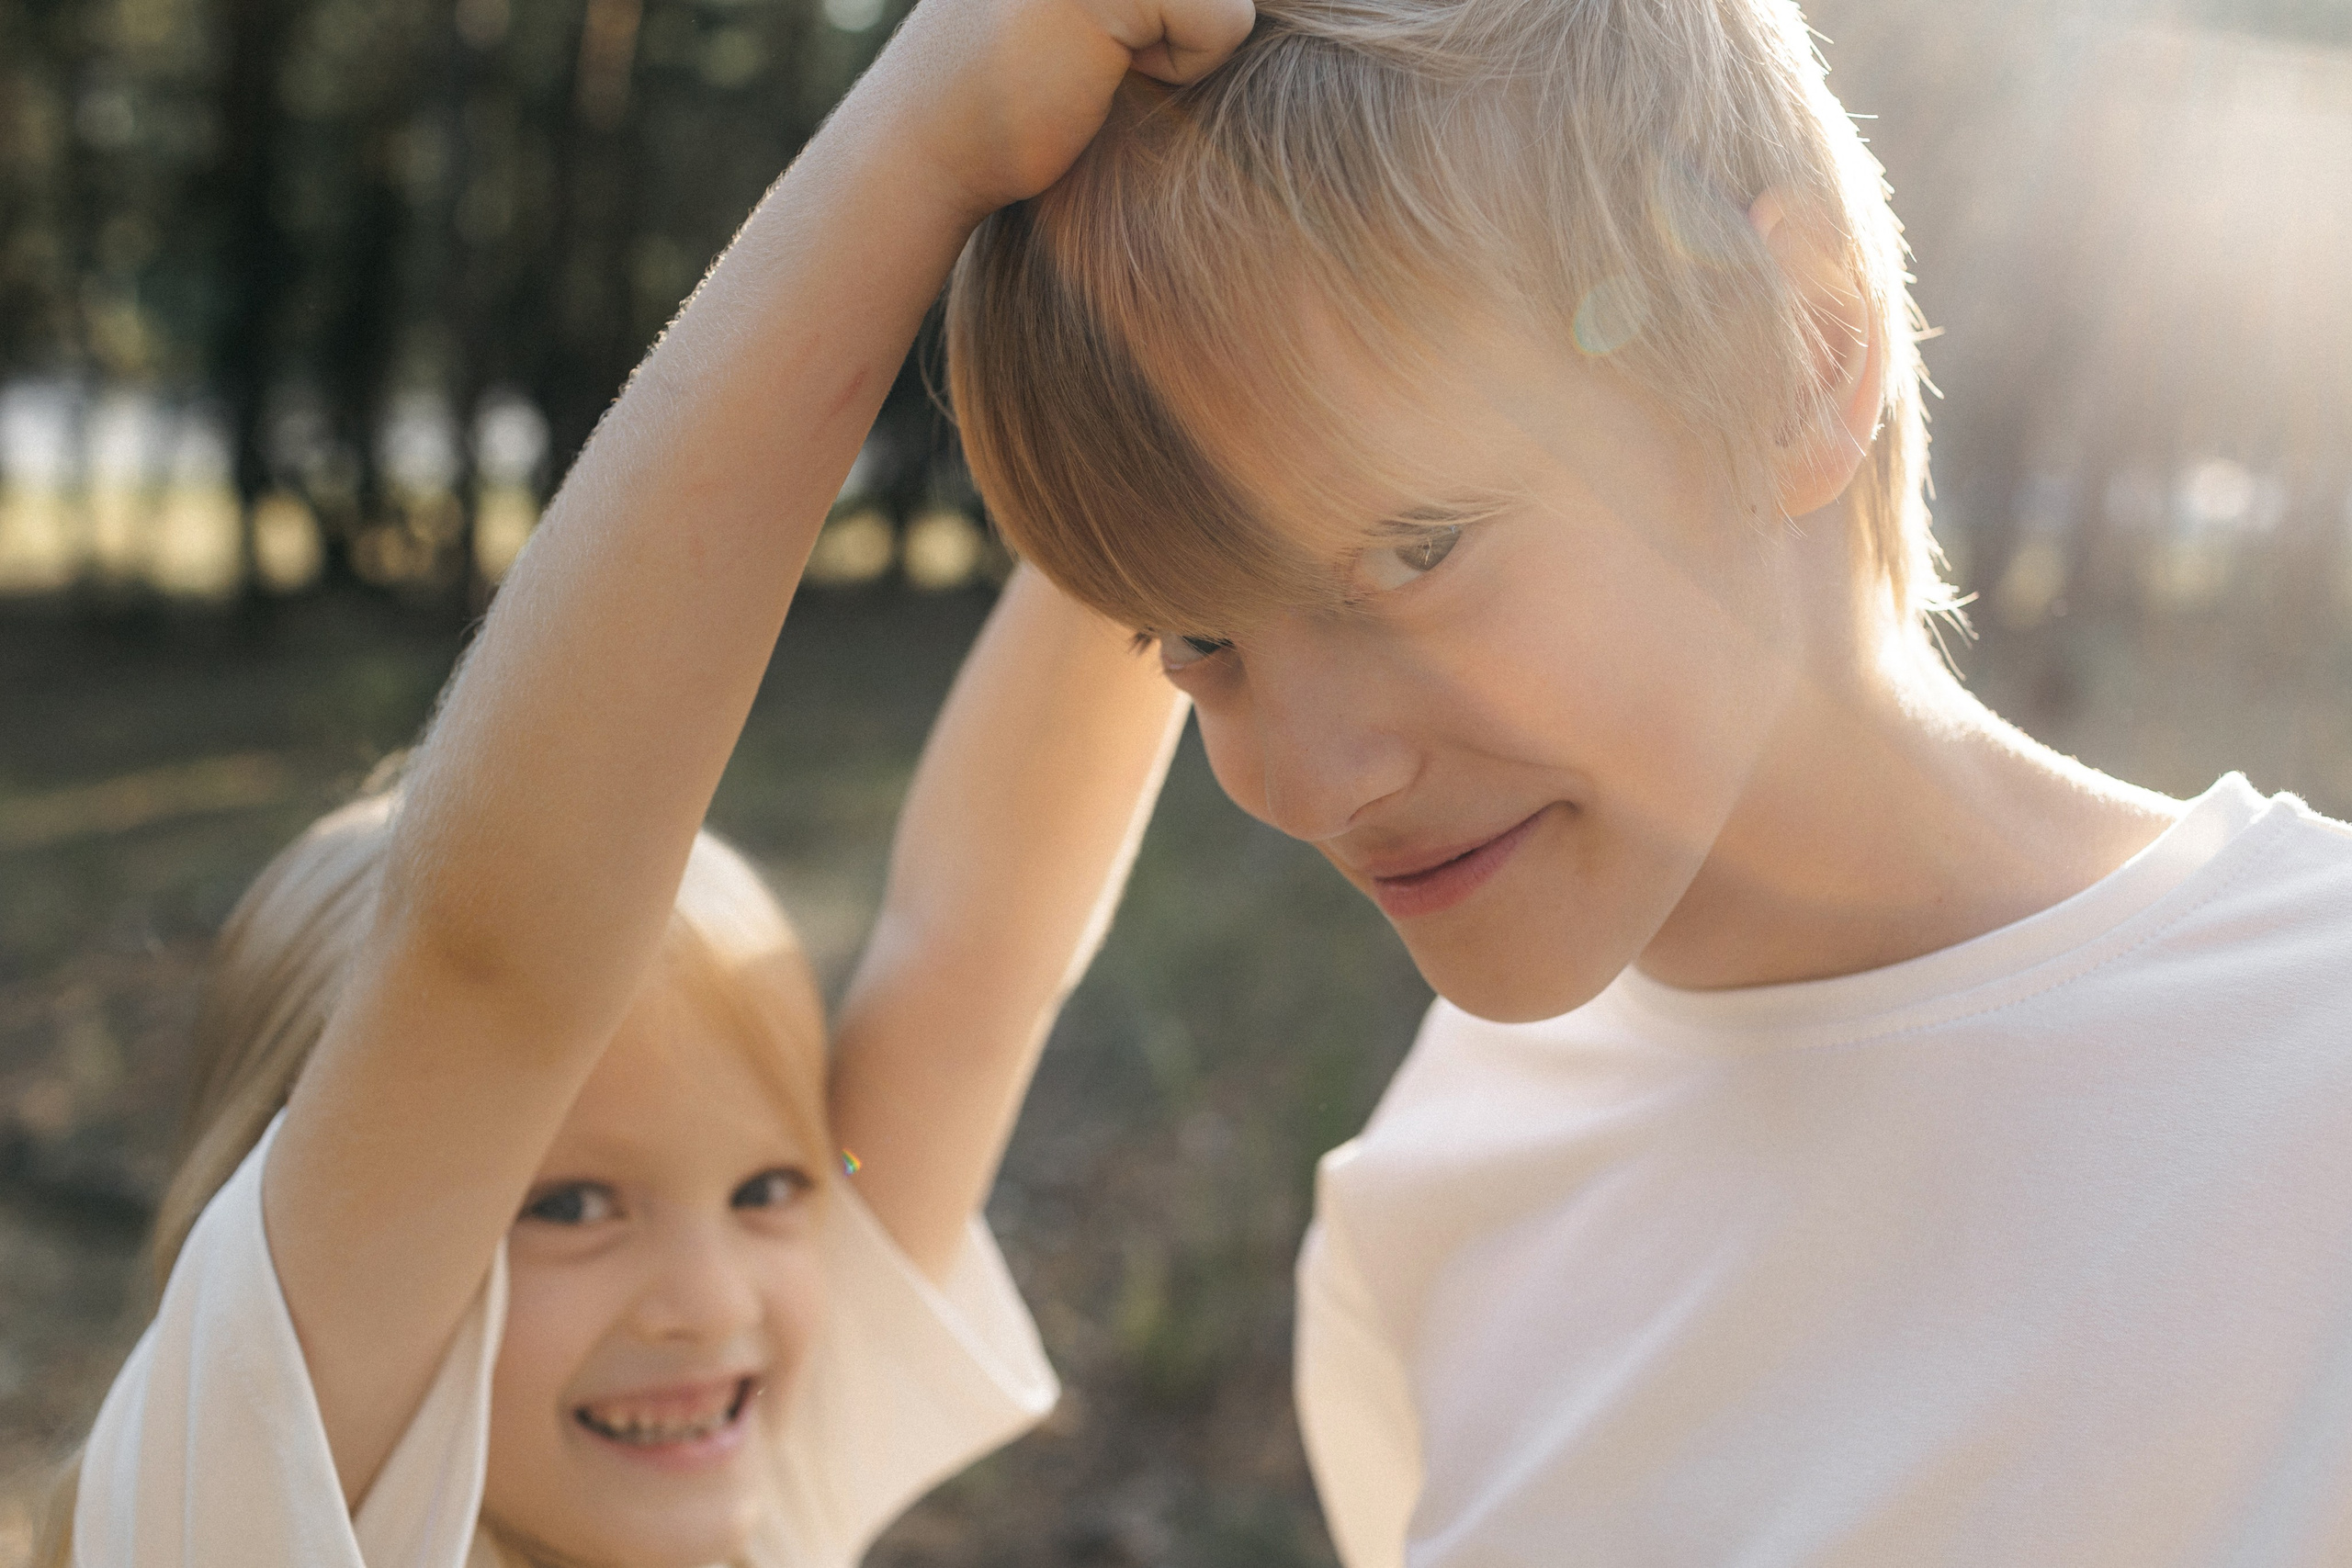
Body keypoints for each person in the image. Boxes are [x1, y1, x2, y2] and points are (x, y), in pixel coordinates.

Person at [942, 0, 2352, 1564]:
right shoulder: (1428, 1202)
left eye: (1416, 549)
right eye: (1199, 635)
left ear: (1802, 355)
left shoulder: (2313, 1057)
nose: (1313, 779)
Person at [38, 0, 1252, 1551]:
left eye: (770, 1188)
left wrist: (1187, 334)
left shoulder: (756, 1464)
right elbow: (498, 966)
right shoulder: (233, 1509)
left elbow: (977, 951)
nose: (709, 1300)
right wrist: (919, 142)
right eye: (566, 1204)